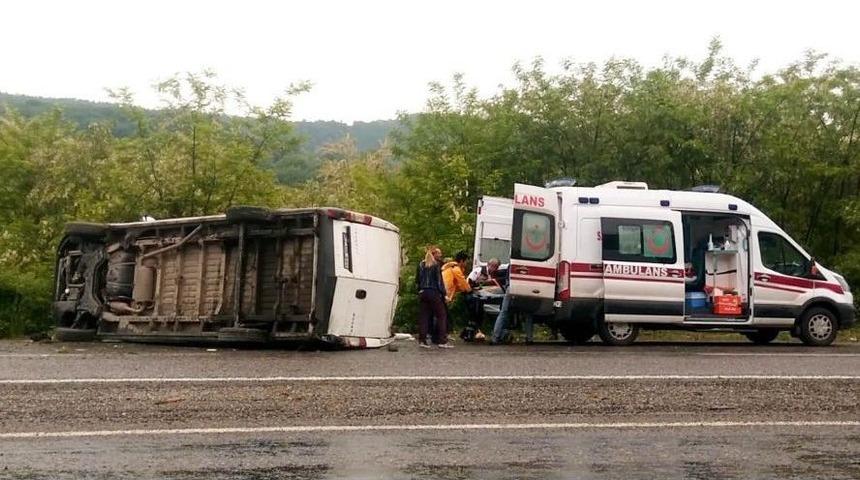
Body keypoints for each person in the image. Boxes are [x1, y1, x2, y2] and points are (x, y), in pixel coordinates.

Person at [415, 246, 452, 349]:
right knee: (441, 315)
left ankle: (422, 341)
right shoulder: (436, 265)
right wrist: (444, 294)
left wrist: (419, 290)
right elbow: (439, 281)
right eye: (439, 254)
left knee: (424, 316)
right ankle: (442, 340)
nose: (440, 255)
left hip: (423, 292)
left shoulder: (421, 264)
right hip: (433, 292)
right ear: (434, 254)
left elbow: (417, 280)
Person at [490, 268, 534, 345]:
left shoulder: (512, 264)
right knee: (527, 313)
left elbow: (503, 275)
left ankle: (495, 338)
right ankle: (529, 338)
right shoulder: (530, 264)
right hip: (526, 288)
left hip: (511, 288)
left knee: (503, 313)